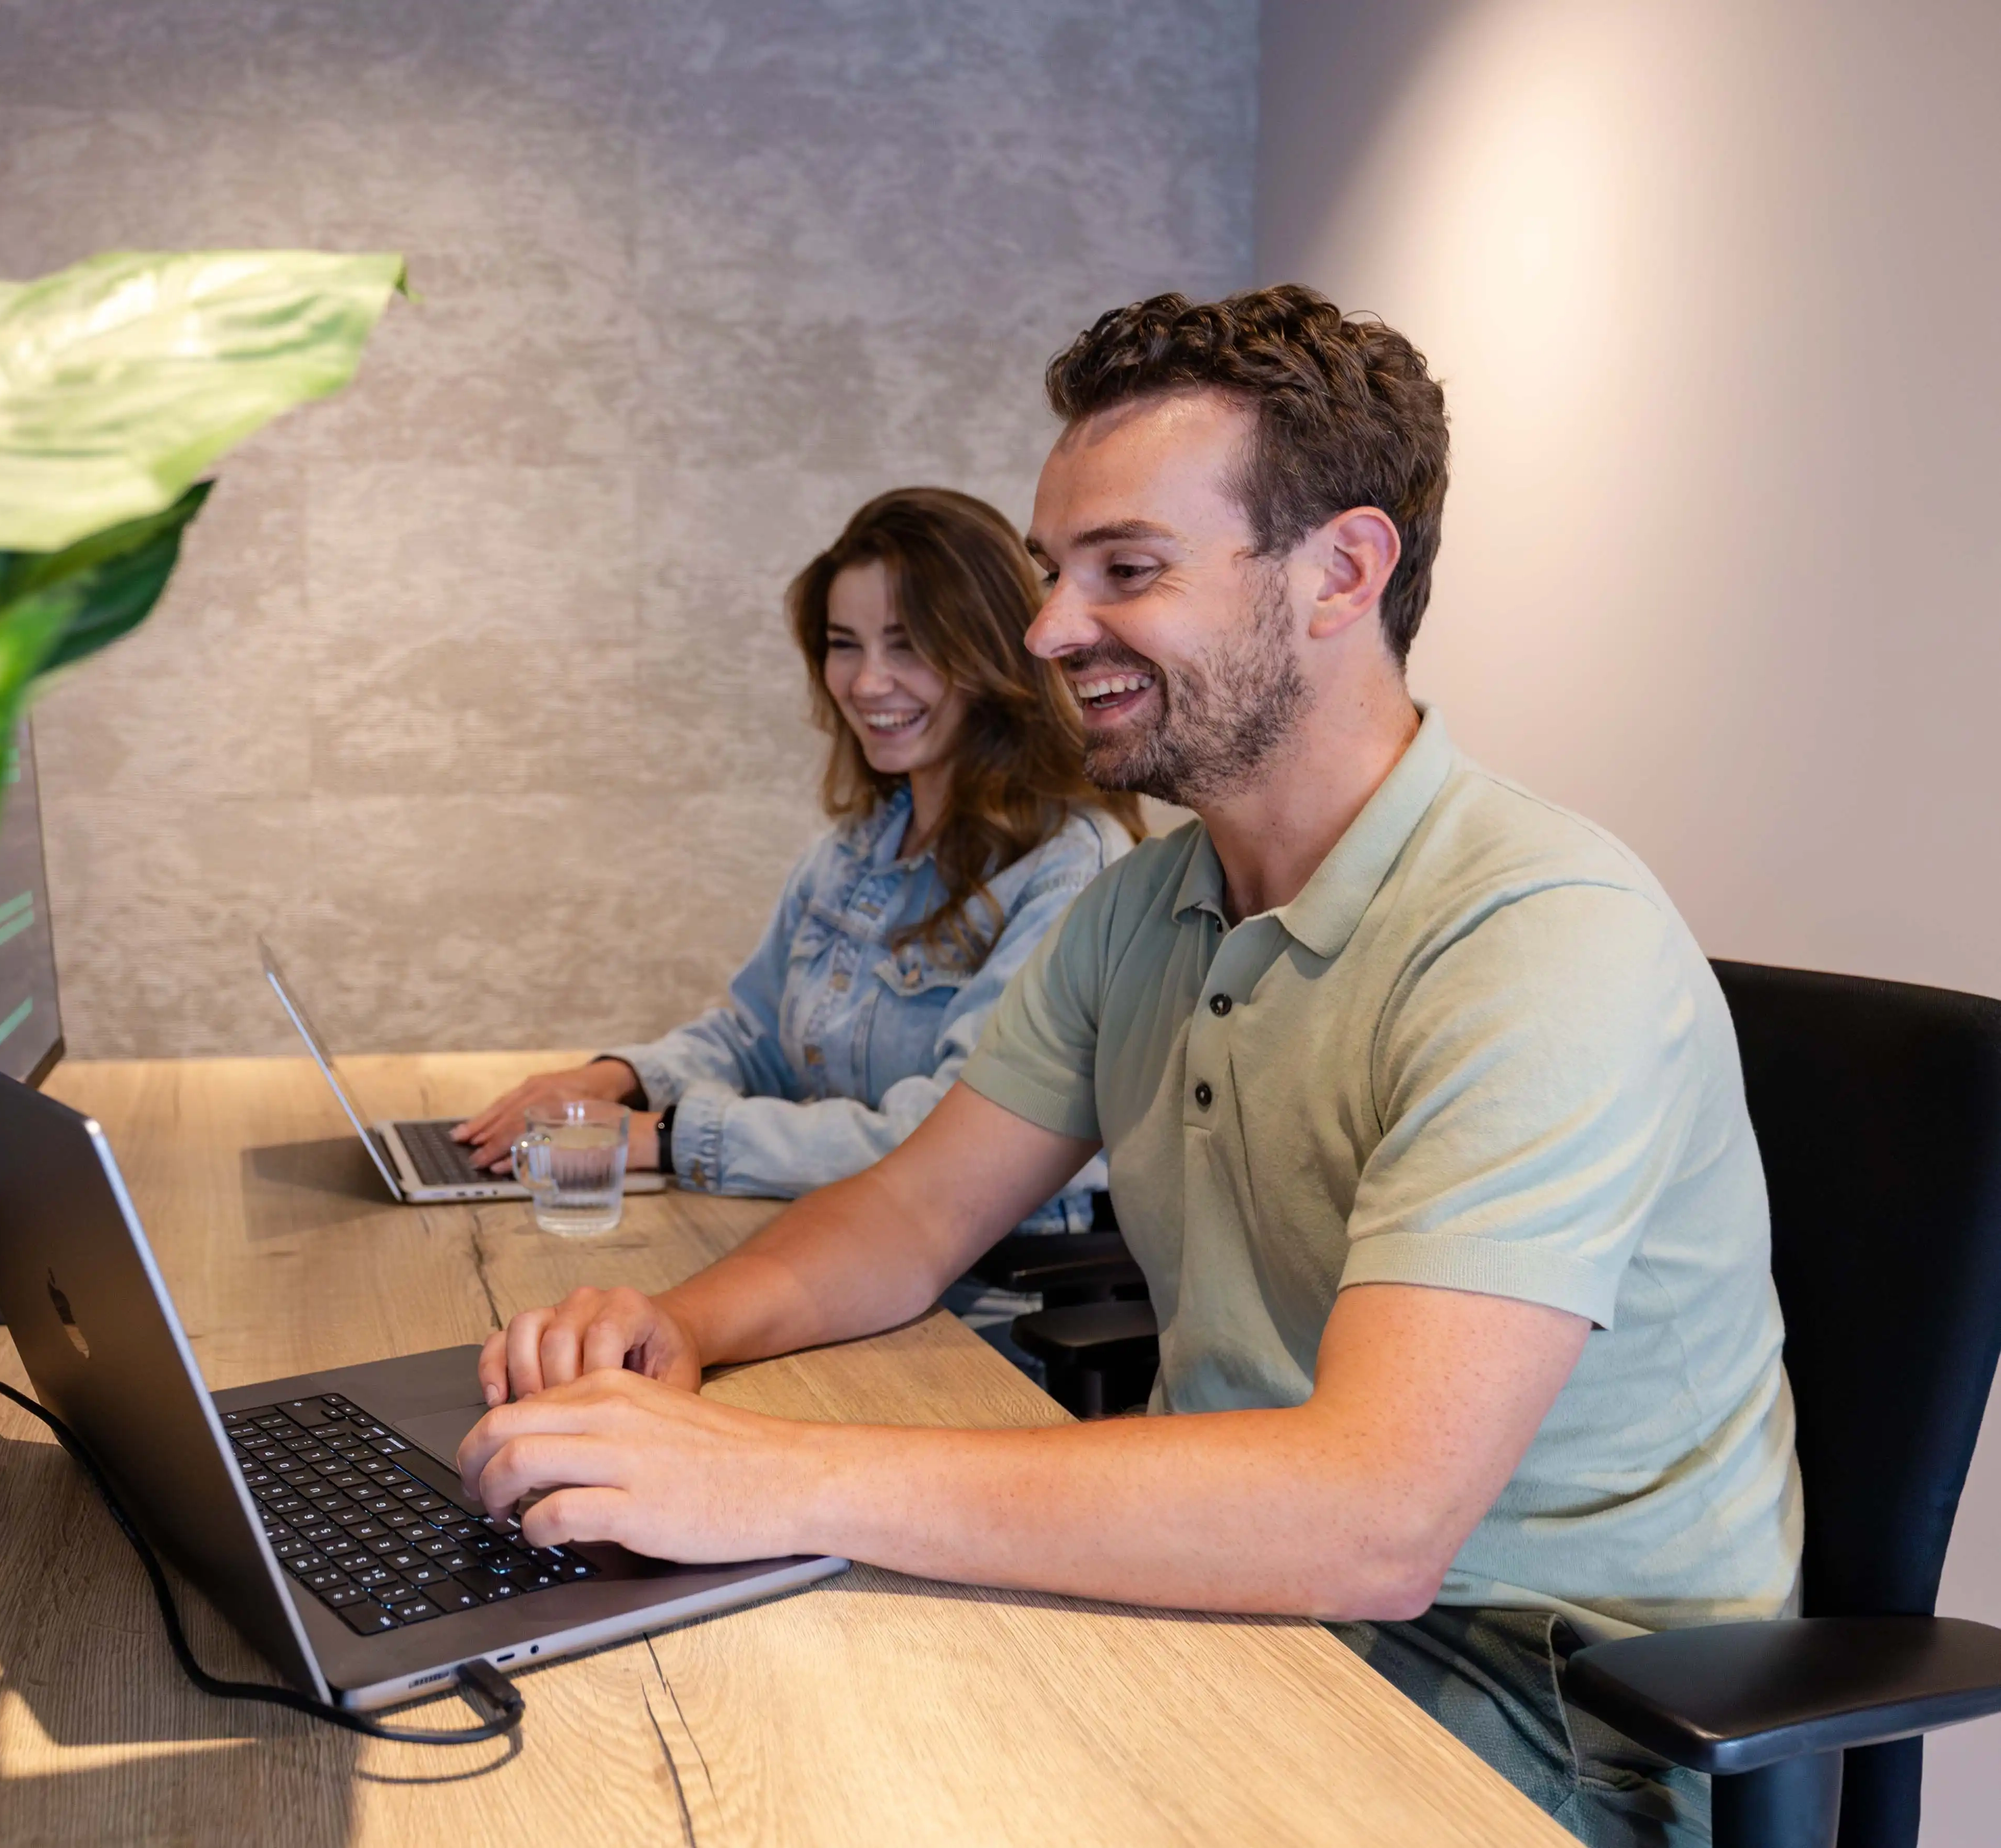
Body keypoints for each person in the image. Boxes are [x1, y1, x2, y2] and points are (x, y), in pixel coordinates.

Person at [456, 288, 1800, 1848]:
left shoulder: (1535, 939)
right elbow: (907, 1219)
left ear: (1339, 573)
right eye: (1051, 571)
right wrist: (668, 1335)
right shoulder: (1145, 907)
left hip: (1541, 1707)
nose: (1043, 630)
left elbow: (1373, 1520)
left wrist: (774, 1478)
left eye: (1126, 571)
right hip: (1249, 1596)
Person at [452, 487, 1139, 1354]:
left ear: (993, 653)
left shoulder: (1072, 868)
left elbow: (932, 1146)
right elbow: (756, 1037)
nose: (866, 682)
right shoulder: (861, 846)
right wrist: (617, 1082)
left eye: (909, 646)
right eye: (843, 646)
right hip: (829, 1259)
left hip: (981, 1311)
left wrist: (665, 1137)